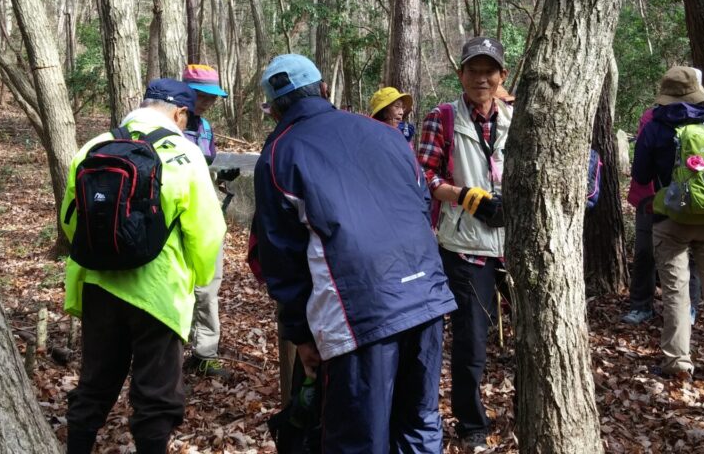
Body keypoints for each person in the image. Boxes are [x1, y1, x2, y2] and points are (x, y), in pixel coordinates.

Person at [253, 54, 457, 453]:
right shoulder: (386, 134)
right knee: (418, 423)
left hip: (358, 314)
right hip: (427, 299)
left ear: (274, 109)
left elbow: (280, 258)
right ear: (325, 89)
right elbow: (419, 205)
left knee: (358, 438)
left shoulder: (278, 154)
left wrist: (300, 335)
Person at [62, 79, 226, 454]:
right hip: (159, 291)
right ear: (180, 113)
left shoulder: (93, 145)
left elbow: (71, 220)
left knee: (94, 386)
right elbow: (208, 230)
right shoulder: (184, 154)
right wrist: (197, 278)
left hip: (98, 286)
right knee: (156, 394)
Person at [417, 36, 509, 450]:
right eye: (473, 70)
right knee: (471, 341)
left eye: (489, 71)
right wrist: (469, 197)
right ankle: (471, 424)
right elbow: (423, 176)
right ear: (461, 74)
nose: (481, 79)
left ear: (502, 76)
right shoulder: (444, 118)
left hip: (516, 245)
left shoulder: (516, 118)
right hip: (465, 245)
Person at [631, 66, 704, 384]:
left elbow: (641, 175)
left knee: (676, 292)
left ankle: (678, 362)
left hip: (670, 221)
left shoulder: (655, 128)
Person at [622, 103, 704, 326]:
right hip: (655, 197)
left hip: (690, 198)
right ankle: (643, 305)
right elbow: (642, 167)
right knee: (647, 252)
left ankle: (687, 308)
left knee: (687, 255)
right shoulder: (651, 118)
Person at [182, 64, 231, 377]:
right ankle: (171, 349)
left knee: (209, 283)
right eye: (203, 95)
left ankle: (204, 352)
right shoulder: (167, 124)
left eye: (213, 97)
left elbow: (207, 162)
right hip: (174, 213)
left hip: (205, 213)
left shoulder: (205, 127)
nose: (208, 102)